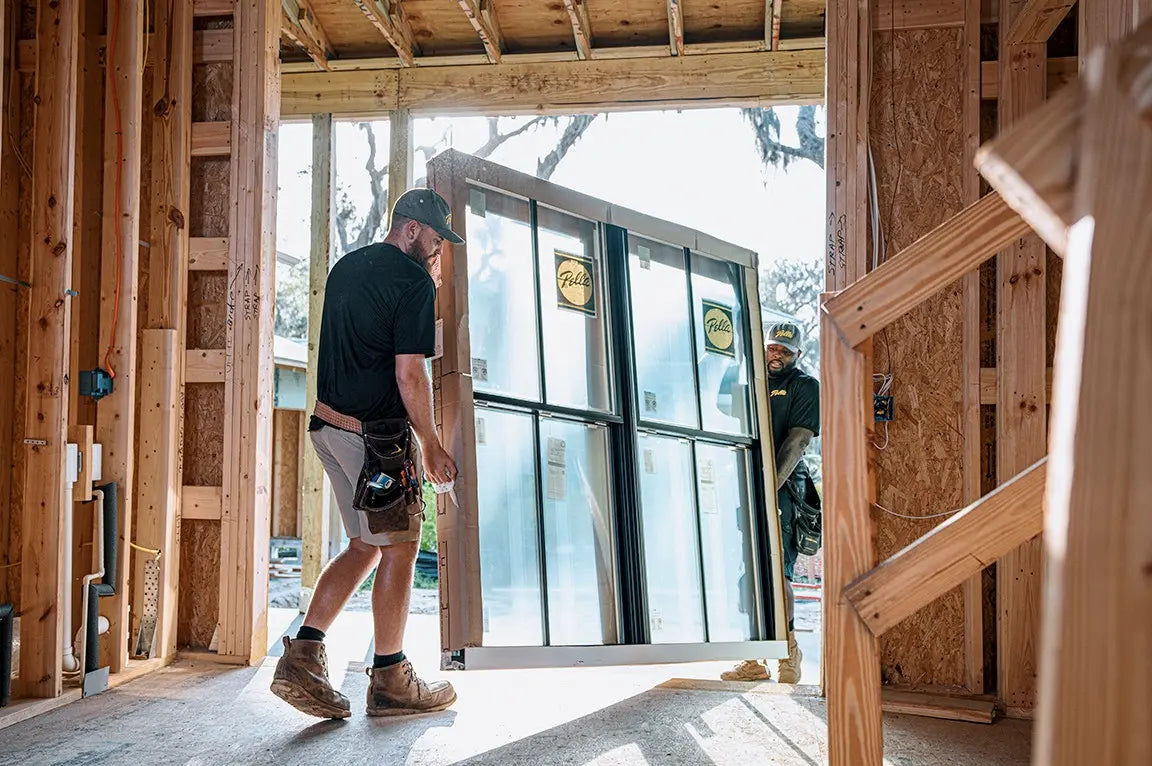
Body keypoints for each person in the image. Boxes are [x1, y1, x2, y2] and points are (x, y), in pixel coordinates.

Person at [271, 189, 463, 719]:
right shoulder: (412, 282)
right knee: (400, 547)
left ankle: (303, 657)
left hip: (328, 427)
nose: (437, 251)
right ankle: (391, 679)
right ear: (410, 230)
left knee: (363, 545)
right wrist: (430, 444)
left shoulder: (347, 267)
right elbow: (408, 372)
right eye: (434, 239)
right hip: (372, 441)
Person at [722, 320, 819, 684]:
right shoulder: (751, 384)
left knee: (779, 573)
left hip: (783, 488)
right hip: (749, 485)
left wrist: (767, 489)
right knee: (751, 573)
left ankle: (789, 651)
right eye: (772, 348)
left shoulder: (804, 386)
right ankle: (754, 659)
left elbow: (797, 443)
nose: (776, 355)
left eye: (785, 351)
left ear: (798, 354)